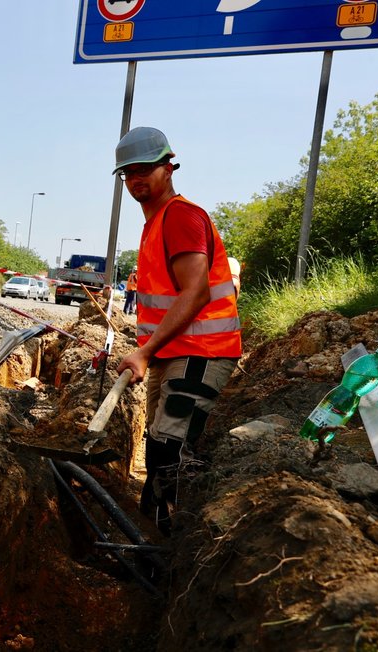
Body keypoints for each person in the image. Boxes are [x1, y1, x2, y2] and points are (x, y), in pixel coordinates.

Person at [112, 127, 242, 535]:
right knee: (158, 442)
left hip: (203, 351)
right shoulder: (155, 223)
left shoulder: (181, 217)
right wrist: (148, 353)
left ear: (169, 167)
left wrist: (144, 353)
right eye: (128, 172)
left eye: (145, 169)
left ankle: (170, 544)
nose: (137, 178)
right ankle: (153, 535)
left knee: (171, 449)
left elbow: (197, 291)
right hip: (174, 353)